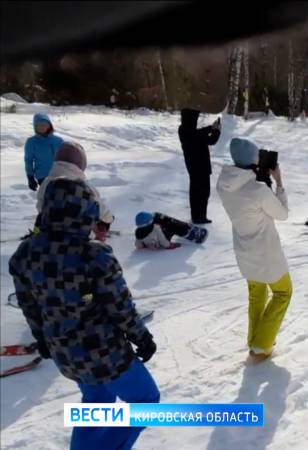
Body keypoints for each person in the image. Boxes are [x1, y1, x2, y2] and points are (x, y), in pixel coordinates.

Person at [9, 178, 159, 450]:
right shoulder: (92, 255)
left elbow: (29, 306)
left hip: (65, 354)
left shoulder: (25, 254)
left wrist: (42, 340)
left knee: (96, 404)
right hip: (105, 355)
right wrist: (142, 337)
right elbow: (120, 305)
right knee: (146, 401)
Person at [216, 138, 291, 362]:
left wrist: (260, 177)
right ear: (252, 161)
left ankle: (253, 341)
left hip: (243, 249)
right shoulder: (258, 190)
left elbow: (246, 192)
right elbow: (282, 213)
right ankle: (262, 345)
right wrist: (278, 182)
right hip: (265, 252)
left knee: (256, 295)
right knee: (283, 292)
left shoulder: (224, 184)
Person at [36, 141, 115, 241]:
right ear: (81, 163)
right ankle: (99, 237)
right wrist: (109, 219)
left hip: (49, 233)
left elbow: (40, 205)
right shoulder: (85, 187)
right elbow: (100, 207)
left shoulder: (46, 183)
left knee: (40, 220)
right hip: (78, 235)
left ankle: (36, 234)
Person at [178, 108, 221, 224]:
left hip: (193, 167)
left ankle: (198, 216)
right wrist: (217, 131)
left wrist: (210, 128)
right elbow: (212, 140)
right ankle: (199, 217)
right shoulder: (192, 134)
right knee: (202, 193)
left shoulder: (183, 130)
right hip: (200, 167)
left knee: (196, 193)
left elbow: (197, 133)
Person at [24, 113, 64, 191]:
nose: (42, 127)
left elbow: (66, 157)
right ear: (35, 127)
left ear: (49, 126)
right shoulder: (31, 142)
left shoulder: (58, 140)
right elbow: (28, 160)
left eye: (44, 125)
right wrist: (30, 177)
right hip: (43, 176)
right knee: (48, 198)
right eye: (39, 125)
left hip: (60, 174)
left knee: (61, 198)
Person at [135, 212, 207, 250]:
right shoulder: (156, 228)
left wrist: (146, 244)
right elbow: (163, 240)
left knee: (160, 218)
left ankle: (184, 227)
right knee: (171, 224)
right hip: (160, 243)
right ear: (149, 223)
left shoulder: (138, 231)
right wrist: (170, 246)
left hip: (152, 244)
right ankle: (191, 233)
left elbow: (138, 245)